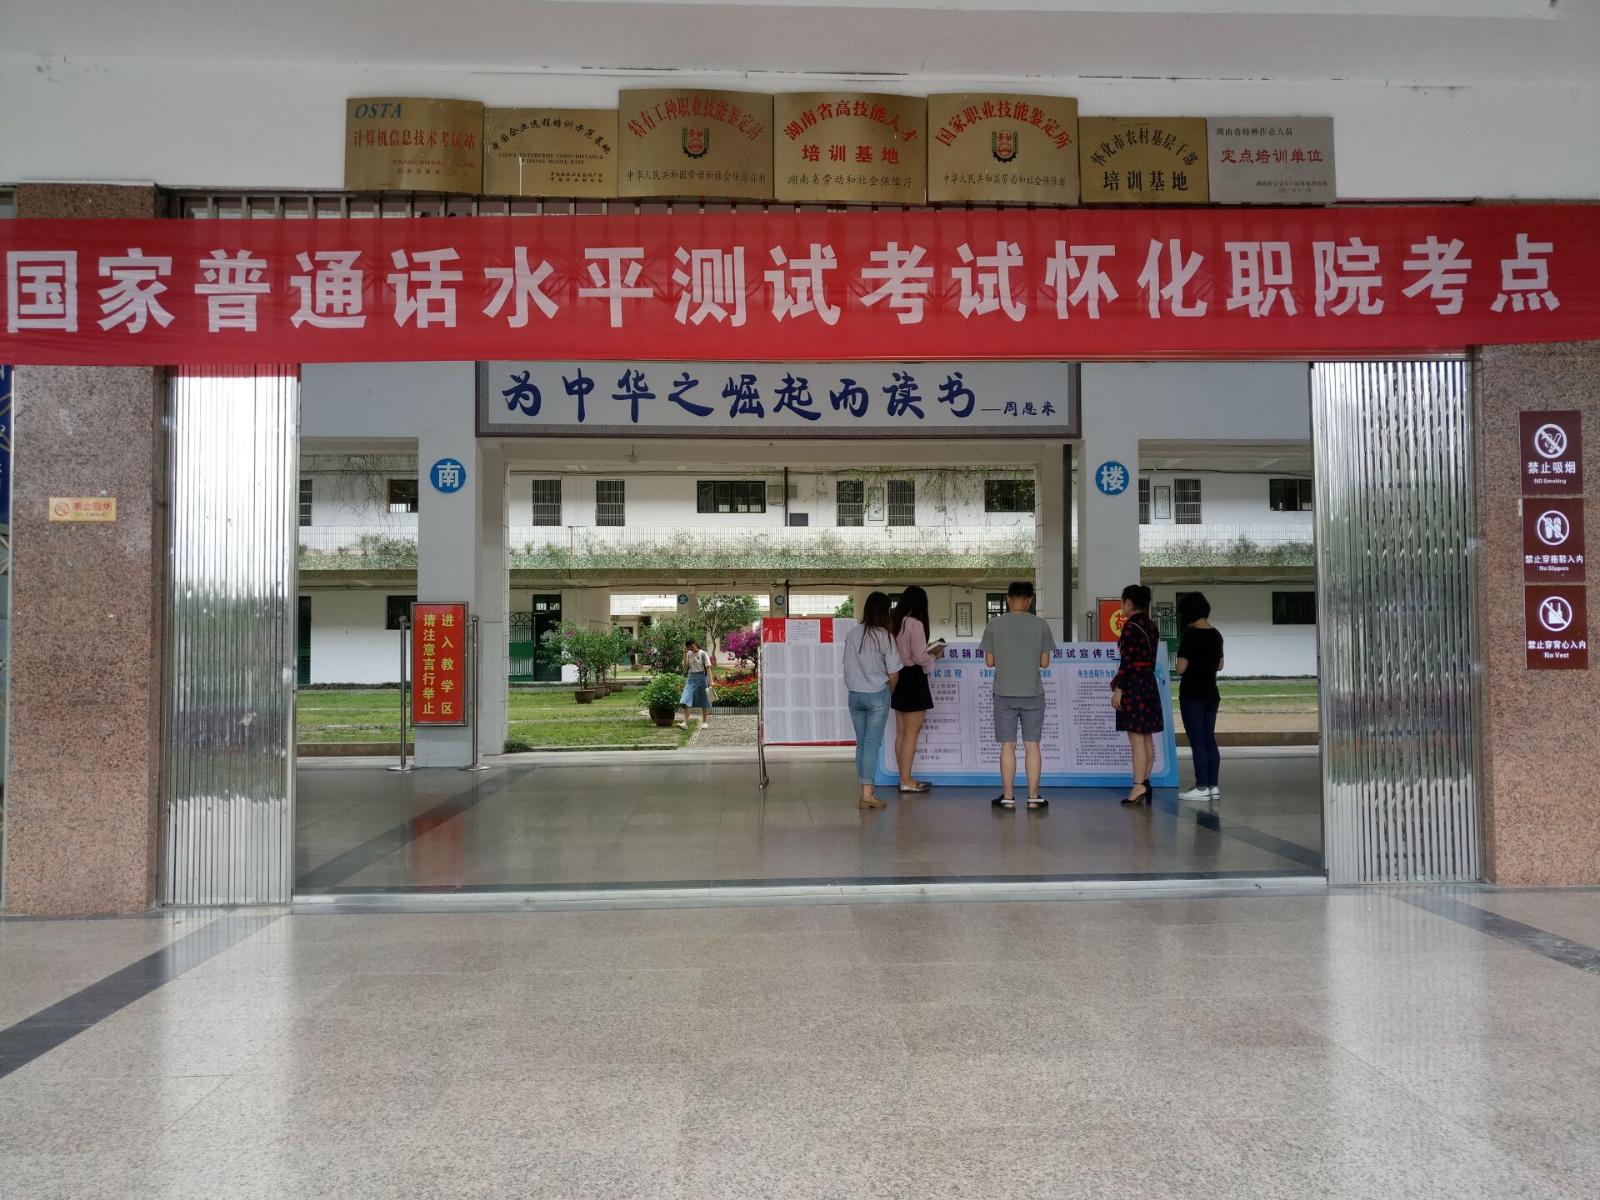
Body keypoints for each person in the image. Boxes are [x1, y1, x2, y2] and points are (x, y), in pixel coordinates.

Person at [980, 580, 1057, 811]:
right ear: (1030, 600)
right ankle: (1033, 797)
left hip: (1004, 693)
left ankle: (1007, 797)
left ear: (1008, 598)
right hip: (1033, 693)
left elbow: (989, 662)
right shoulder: (1041, 625)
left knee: (1008, 746)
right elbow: (1045, 663)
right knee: (1032, 746)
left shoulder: (994, 625)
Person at [842, 591, 902, 809]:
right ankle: (867, 795)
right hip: (877, 694)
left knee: (862, 744)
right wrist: (888, 694)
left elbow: (846, 665)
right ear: (885, 612)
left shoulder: (852, 633)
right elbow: (894, 672)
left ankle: (864, 790)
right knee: (872, 745)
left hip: (854, 696)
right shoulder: (885, 636)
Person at [1111, 584, 1164, 806]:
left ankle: (1138, 785)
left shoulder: (1131, 627)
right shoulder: (1151, 626)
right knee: (1146, 736)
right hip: (1148, 684)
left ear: (1129, 603)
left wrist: (1119, 689)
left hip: (1134, 686)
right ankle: (1145, 781)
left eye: (1122, 602)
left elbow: (1128, 662)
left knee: (1137, 740)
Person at [890, 585, 942, 793]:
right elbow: (919, 656)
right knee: (912, 732)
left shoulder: (895, 622)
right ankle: (907, 780)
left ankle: (903, 778)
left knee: (901, 732)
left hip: (897, 676)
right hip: (913, 678)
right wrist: (935, 655)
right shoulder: (915, 624)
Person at [1175, 592, 1225, 802]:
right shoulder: (1216, 635)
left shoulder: (1190, 636)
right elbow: (1220, 665)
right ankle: (1213, 786)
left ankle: (1201, 786)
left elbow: (1181, 668)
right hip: (1211, 694)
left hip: (1192, 694)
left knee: (1197, 741)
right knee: (1209, 739)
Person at [678, 638, 713, 728]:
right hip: (691, 678)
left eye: (692, 646)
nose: (691, 649)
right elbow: (685, 666)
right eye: (689, 648)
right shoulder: (688, 654)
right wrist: (685, 653)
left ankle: (704, 722)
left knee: (704, 700)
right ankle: (685, 723)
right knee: (686, 698)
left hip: (702, 678)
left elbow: (708, 669)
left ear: (695, 644)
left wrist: (711, 681)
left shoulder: (703, 654)